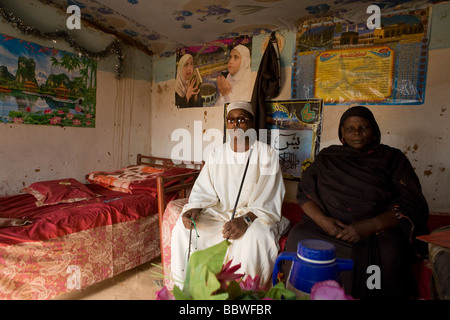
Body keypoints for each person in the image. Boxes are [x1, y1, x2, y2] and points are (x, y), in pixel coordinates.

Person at [282, 106, 429, 300]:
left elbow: (412, 203)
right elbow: (304, 194)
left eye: (364, 127)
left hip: (376, 232)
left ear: (374, 130)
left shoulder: (392, 158)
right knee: (299, 236)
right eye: (350, 129)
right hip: (326, 227)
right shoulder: (328, 156)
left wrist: (370, 225)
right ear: (342, 133)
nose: (357, 133)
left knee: (391, 251)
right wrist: (324, 222)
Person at [170, 101, 286, 288]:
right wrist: (194, 208)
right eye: (231, 120)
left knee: (256, 237)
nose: (236, 124)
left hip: (254, 215)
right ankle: (190, 289)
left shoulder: (266, 154)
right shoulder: (217, 153)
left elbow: (268, 197)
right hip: (219, 212)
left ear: (252, 123)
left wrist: (245, 220)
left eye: (241, 119)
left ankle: (245, 293)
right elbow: (204, 189)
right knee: (184, 229)